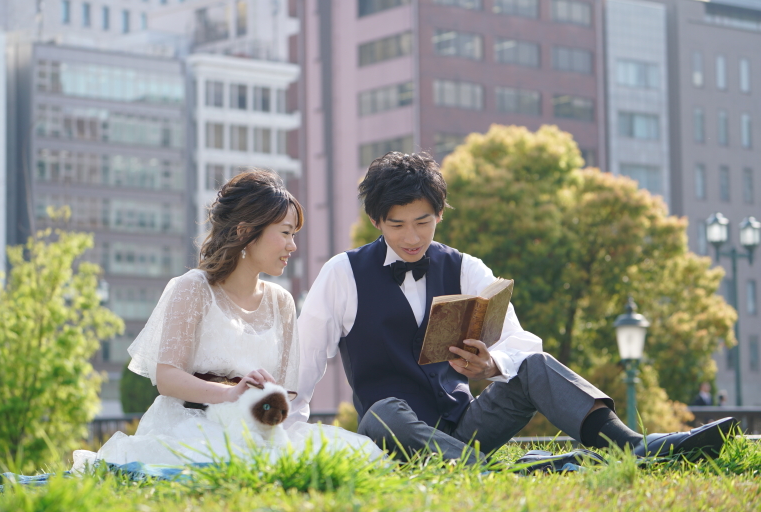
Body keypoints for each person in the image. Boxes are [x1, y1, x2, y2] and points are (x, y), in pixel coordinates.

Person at [293, 152, 736, 464]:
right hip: (393, 436)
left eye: (423, 223)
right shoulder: (343, 273)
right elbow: (304, 364)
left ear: (440, 215)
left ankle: (635, 446)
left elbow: (522, 343)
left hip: (465, 425)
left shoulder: (466, 267)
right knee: (385, 411)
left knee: (537, 365)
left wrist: (492, 363)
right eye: (397, 225)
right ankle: (507, 469)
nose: (412, 237)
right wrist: (286, 436)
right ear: (376, 221)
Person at [74, 170, 380, 469]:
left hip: (260, 429)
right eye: (285, 233)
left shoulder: (281, 302)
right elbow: (167, 378)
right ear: (245, 231)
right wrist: (230, 394)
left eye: (294, 235)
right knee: (229, 464)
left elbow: (285, 390)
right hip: (191, 425)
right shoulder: (192, 288)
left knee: (358, 453)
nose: (292, 246)